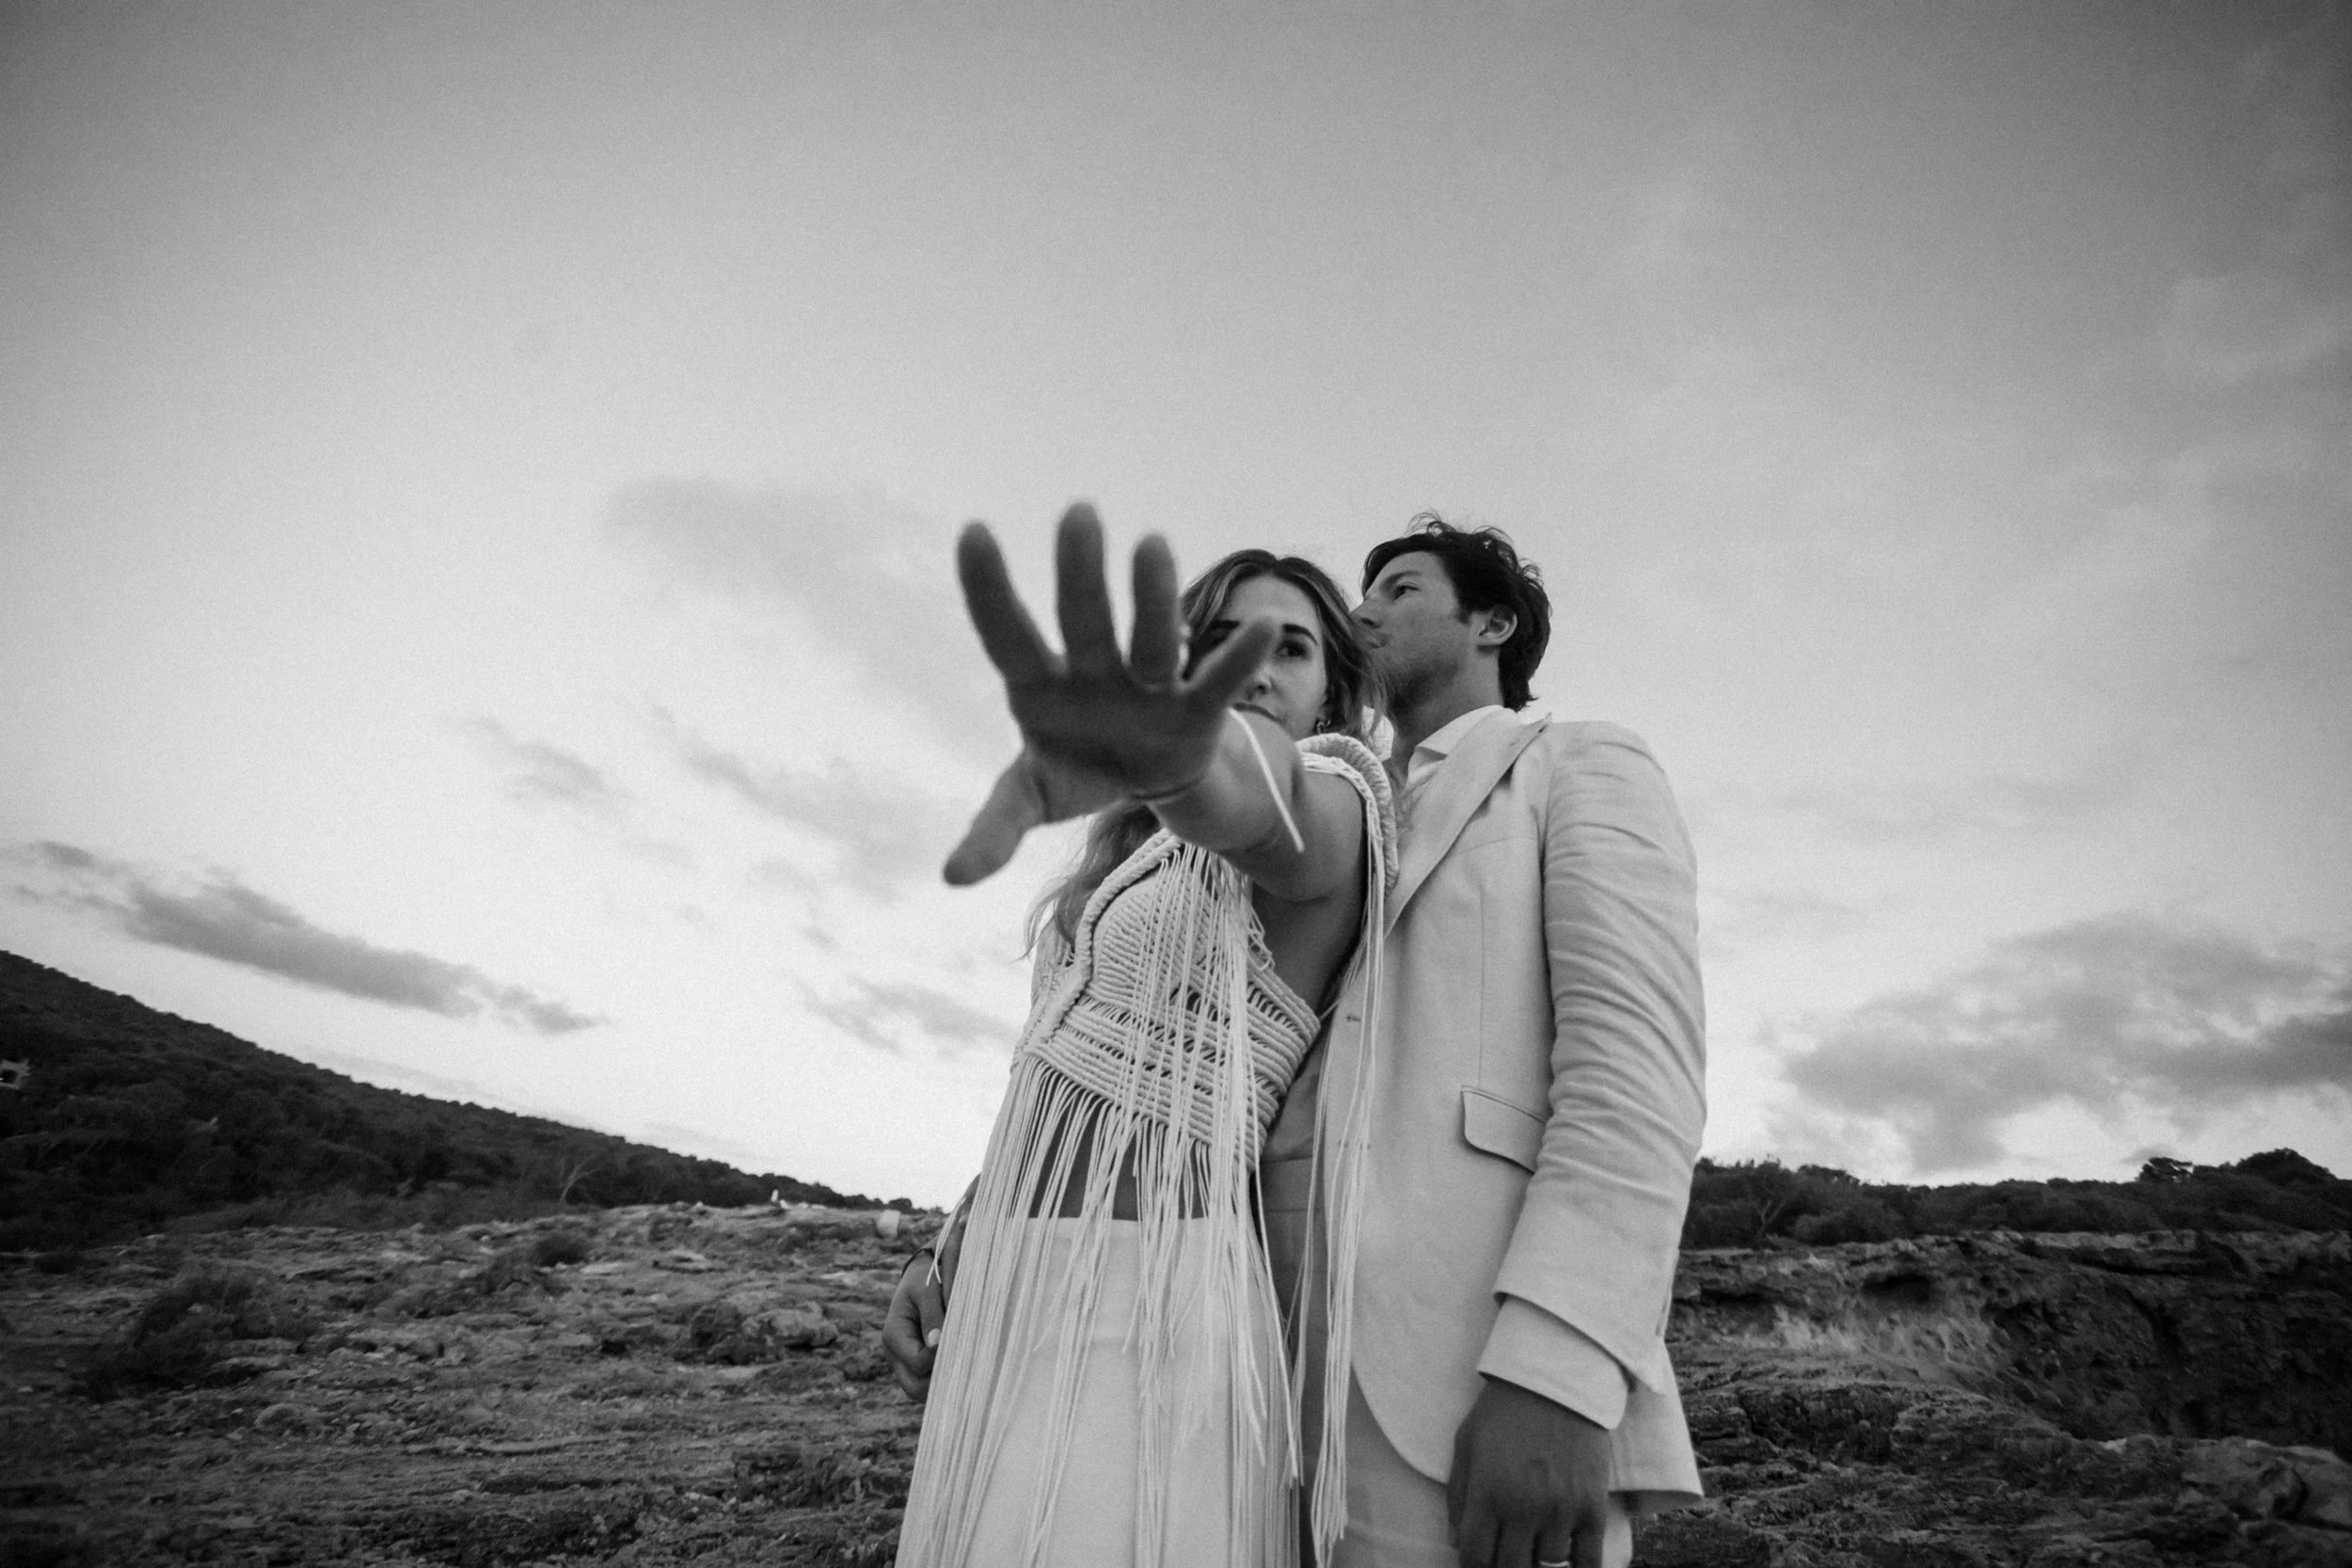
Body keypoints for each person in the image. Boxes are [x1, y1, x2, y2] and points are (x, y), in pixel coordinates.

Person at [892, 513, 1708, 1568]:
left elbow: (1634, 1075)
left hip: (1450, 1366)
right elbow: (1096, 1055)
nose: (1367, 606)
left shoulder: (1566, 765)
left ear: (1494, 621)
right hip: (1261, 1347)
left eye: (1401, 588)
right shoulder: (1189, 848)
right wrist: (956, 1233)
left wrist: (1560, 1368)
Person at [895, 507, 1400, 1568]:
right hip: (1009, 1287)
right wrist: (956, 1239)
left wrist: (1185, 769)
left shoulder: (1334, 804)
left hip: (1150, 1304)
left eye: (1287, 646)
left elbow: (1257, 801)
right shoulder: (1117, 861)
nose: (1252, 666)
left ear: (1335, 692)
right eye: (1219, 642)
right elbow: (1058, 1066)